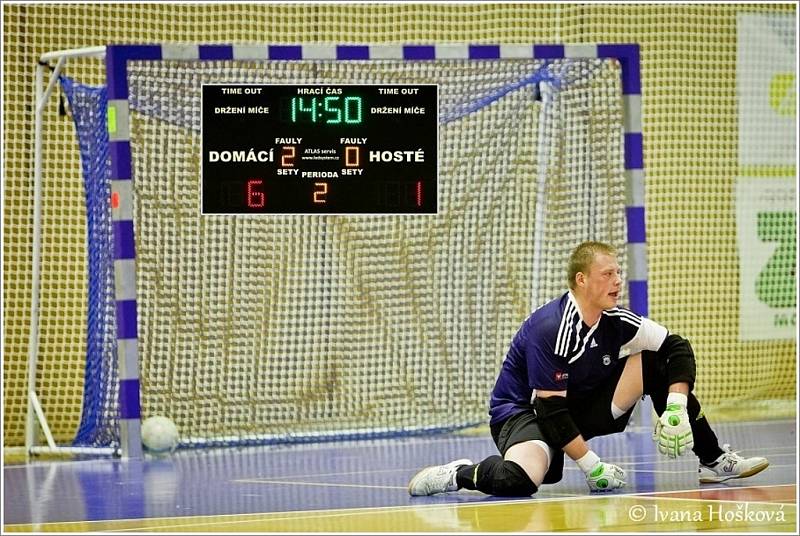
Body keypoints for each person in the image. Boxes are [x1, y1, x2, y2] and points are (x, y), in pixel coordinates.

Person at [408, 241, 769, 497]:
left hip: (576, 406)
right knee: (519, 481)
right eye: (607, 273)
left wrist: (675, 404)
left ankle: (713, 460)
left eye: (618, 273)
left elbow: (677, 346)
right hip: (525, 415)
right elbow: (550, 410)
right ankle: (456, 474)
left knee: (657, 361)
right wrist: (593, 466)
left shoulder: (614, 320)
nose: (616, 281)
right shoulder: (551, 327)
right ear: (582, 280)